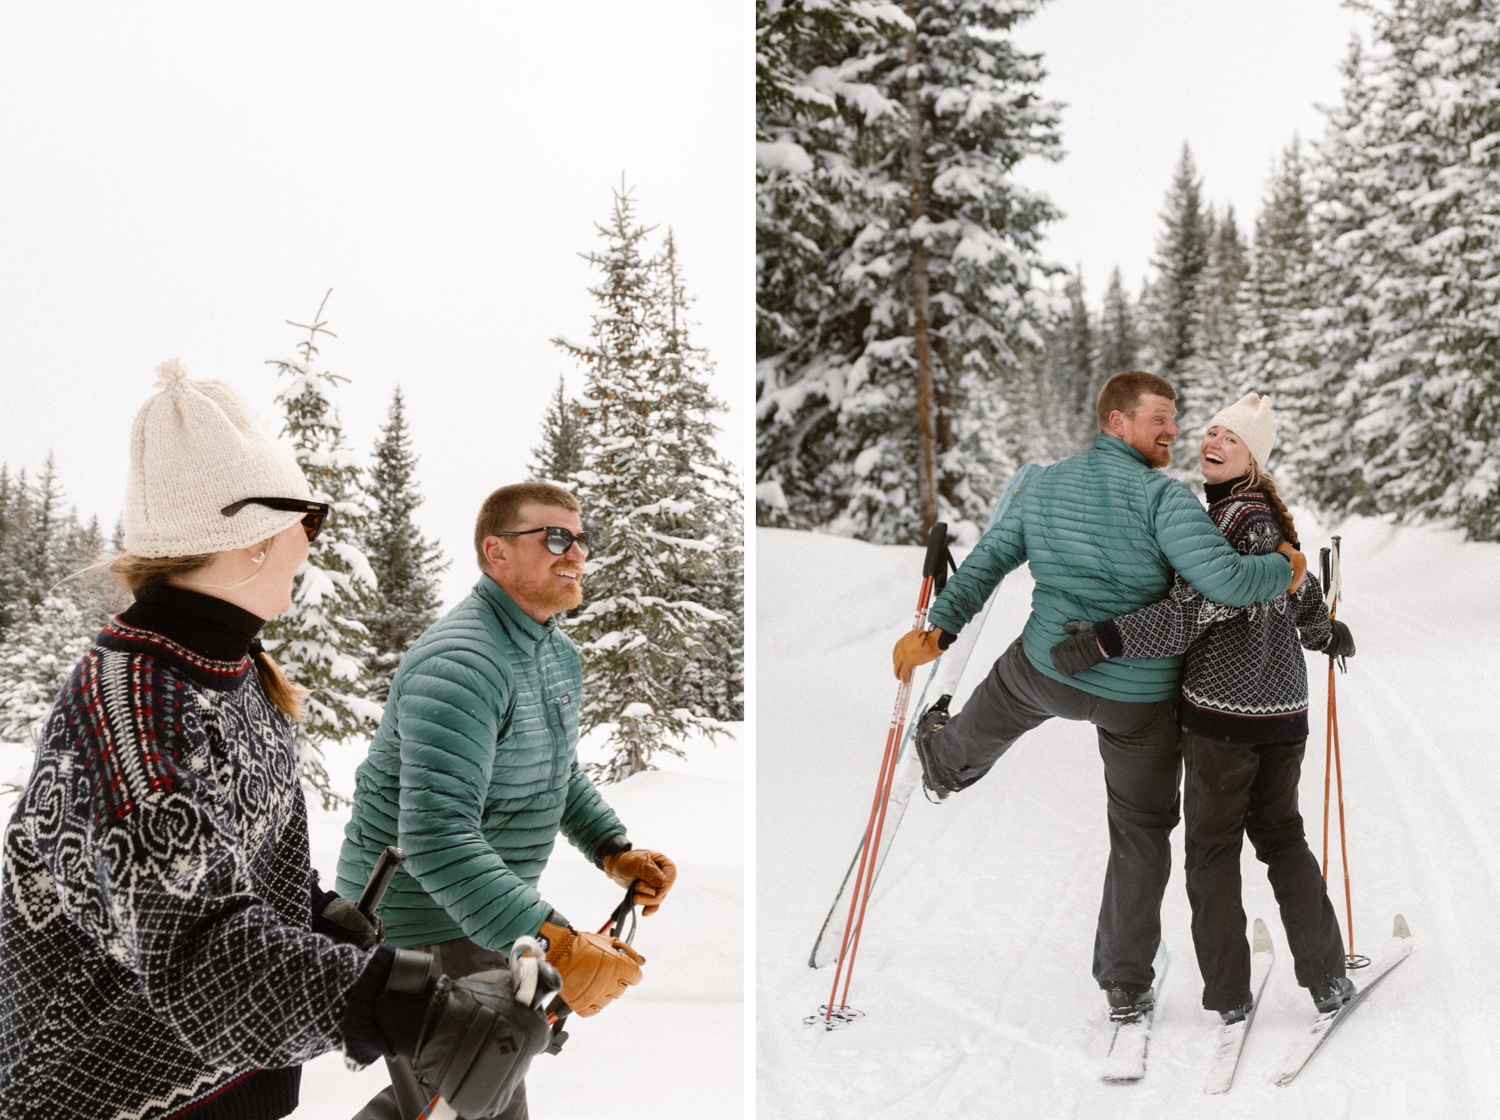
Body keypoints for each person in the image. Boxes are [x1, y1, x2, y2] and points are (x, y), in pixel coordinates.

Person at [0, 362, 548, 1120]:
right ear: (247, 537)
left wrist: (317, 916)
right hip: (110, 1096)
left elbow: (228, 874)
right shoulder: (134, 712)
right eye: (308, 519)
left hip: (224, 1086)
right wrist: (407, 1006)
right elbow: (198, 950)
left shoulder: (232, 670)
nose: (310, 544)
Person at [892, 370, 1307, 1025]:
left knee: (996, 706)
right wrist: (1283, 567)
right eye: (1159, 419)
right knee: (1141, 831)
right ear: (1117, 421)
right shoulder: (1164, 501)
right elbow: (1228, 581)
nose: (1173, 430)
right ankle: (1125, 981)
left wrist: (938, 629)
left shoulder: (1042, 486)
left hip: (1046, 668)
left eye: (1175, 419)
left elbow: (991, 558)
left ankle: (946, 763)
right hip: (1138, 699)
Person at [338, 480, 677, 1120]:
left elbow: (556, 771)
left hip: (484, 914)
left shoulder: (554, 654)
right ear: (496, 551)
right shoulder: (461, 662)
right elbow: (435, 838)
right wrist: (557, 939)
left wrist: (613, 850)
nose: (574, 551)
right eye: (554, 537)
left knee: (447, 1102)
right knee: (475, 1101)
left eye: (581, 538)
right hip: (419, 924)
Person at [1048, 393, 1358, 1023]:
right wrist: (1325, 632)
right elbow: (1298, 587)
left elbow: (1195, 611)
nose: (1211, 442)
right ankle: (1327, 977)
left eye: (1231, 438)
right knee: (1283, 838)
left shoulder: (1227, 522)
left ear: (1251, 458)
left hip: (1222, 719)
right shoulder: (1266, 516)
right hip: (1285, 713)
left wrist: (1107, 639)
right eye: (1211, 431)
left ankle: (1229, 996)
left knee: (1212, 852)